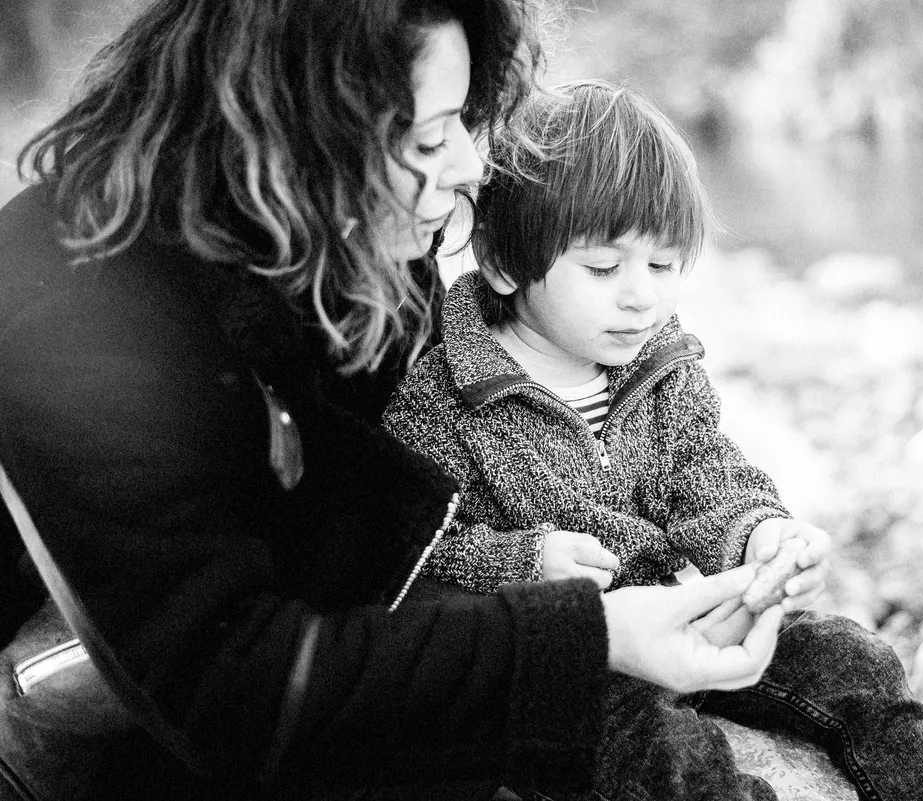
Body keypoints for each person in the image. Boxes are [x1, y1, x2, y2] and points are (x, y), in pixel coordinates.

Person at [0, 3, 790, 799]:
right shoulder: (73, 321)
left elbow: (368, 551)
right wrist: (592, 635)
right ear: (301, 132)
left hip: (291, 648)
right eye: (425, 138)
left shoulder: (351, 238)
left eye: (460, 123)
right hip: (101, 706)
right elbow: (233, 688)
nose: (469, 169)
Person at [384, 80, 923, 801]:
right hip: (574, 662)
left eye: (663, 266)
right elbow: (411, 556)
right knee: (664, 750)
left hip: (681, 617)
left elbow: (705, 470)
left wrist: (760, 536)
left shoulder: (659, 366)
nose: (642, 296)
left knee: (857, 659)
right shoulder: (443, 394)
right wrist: (523, 560)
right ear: (505, 264)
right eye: (605, 268)